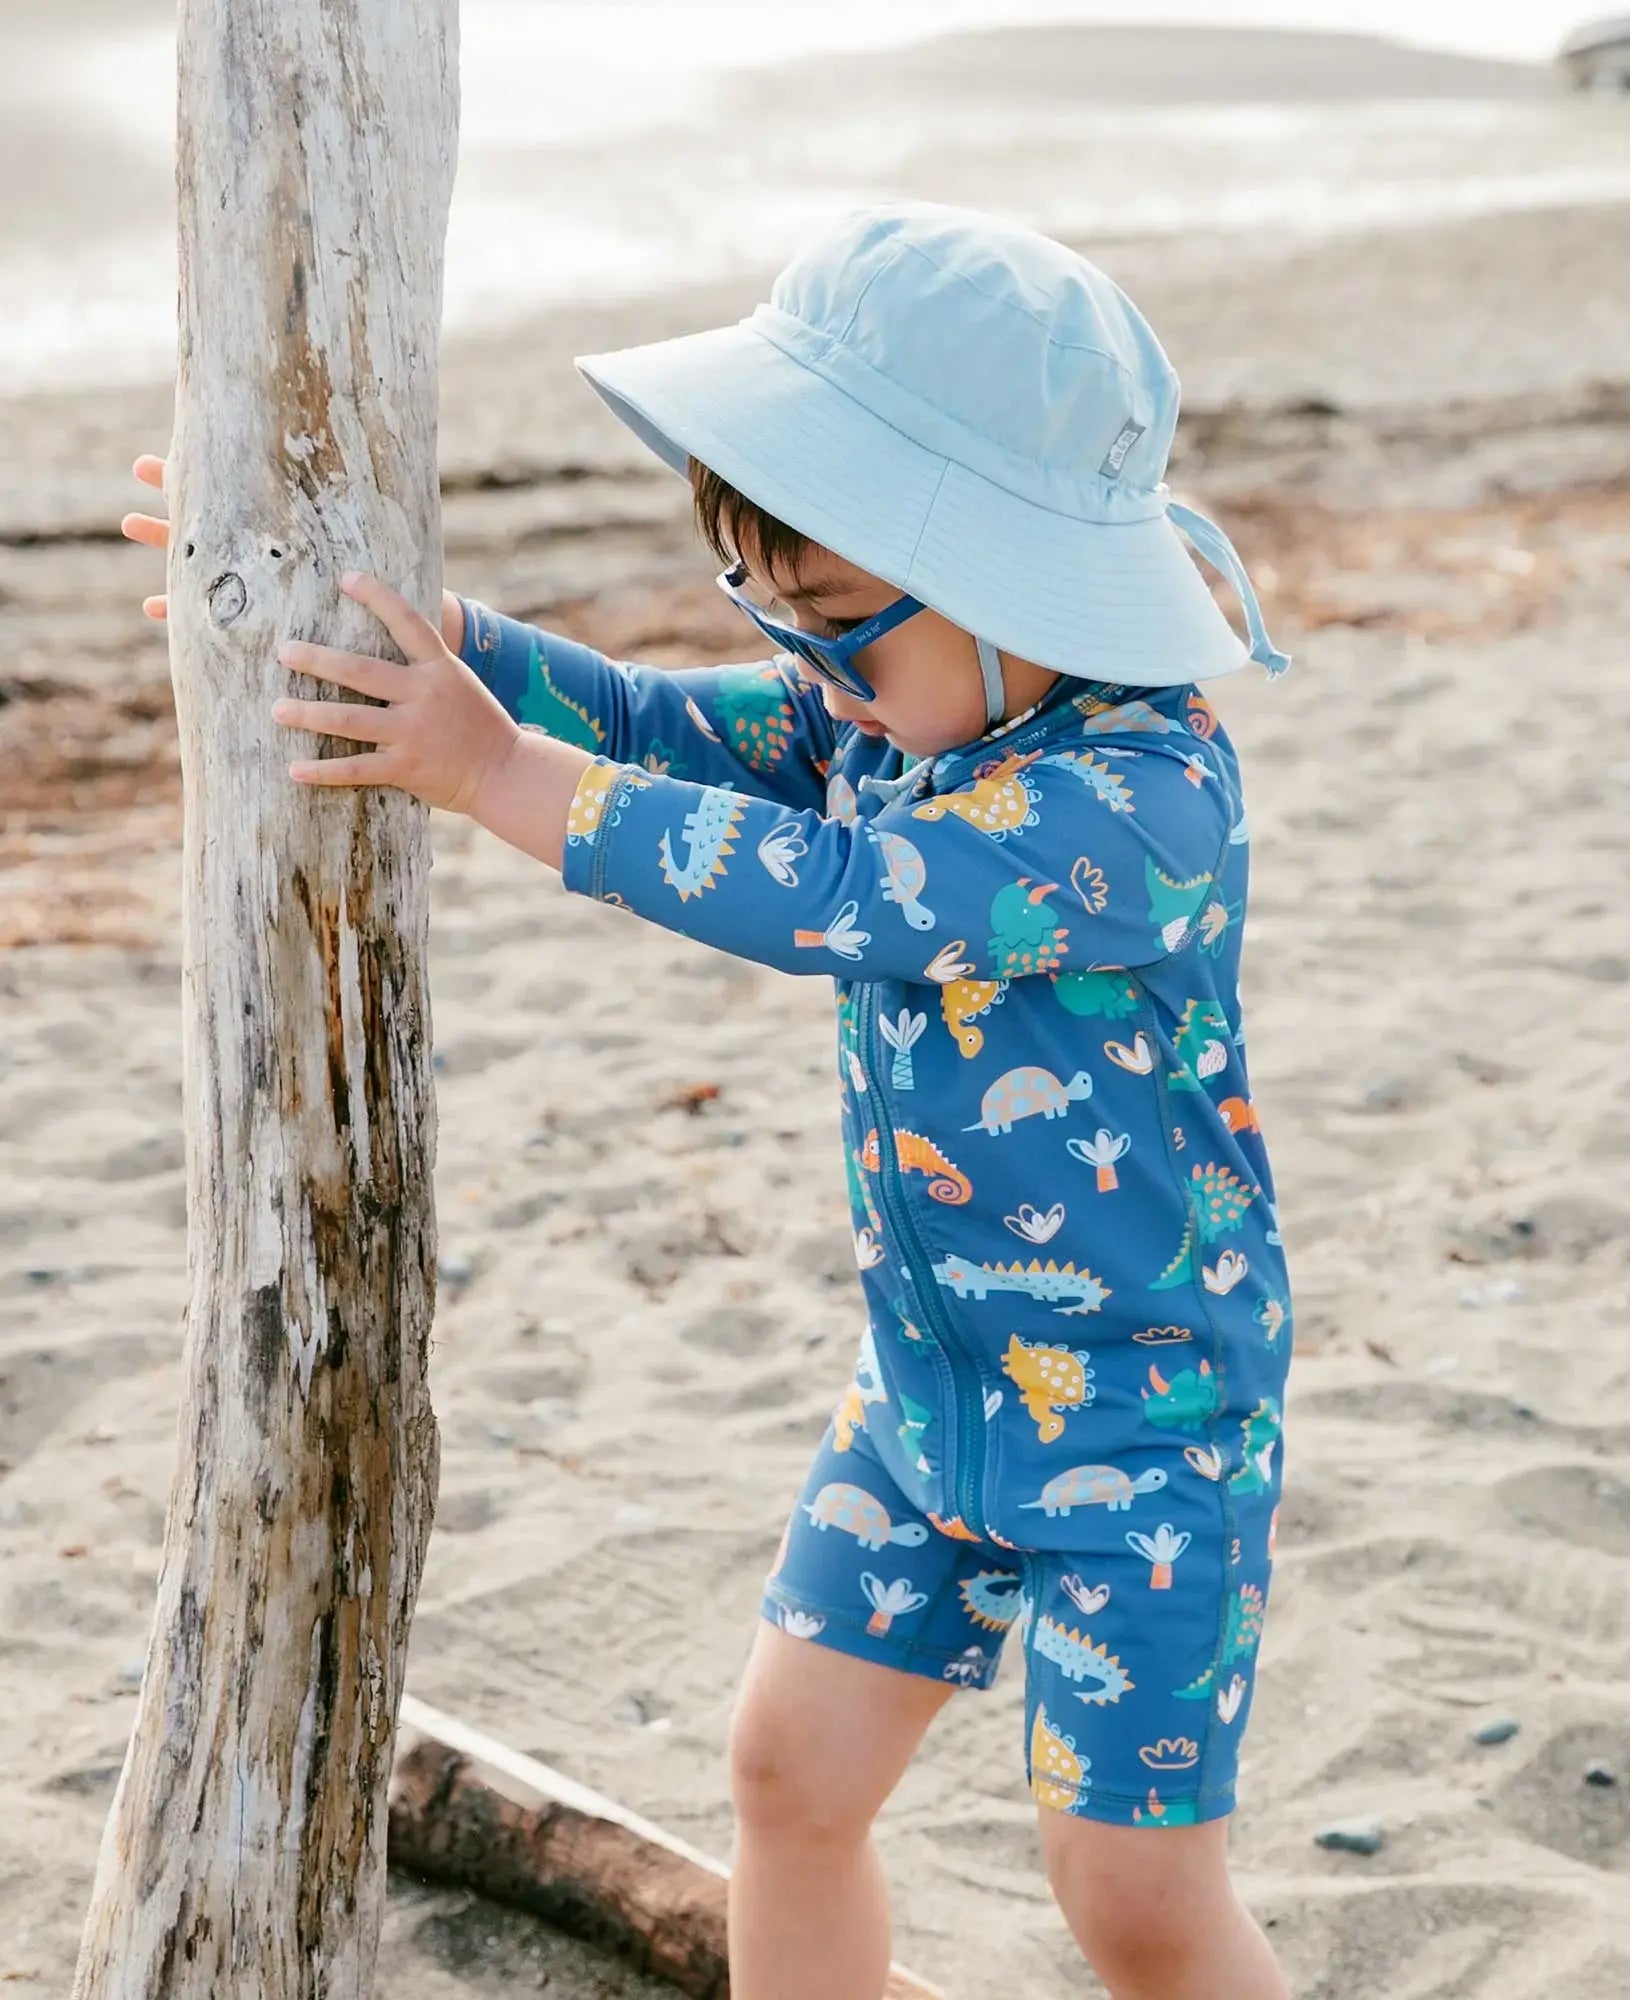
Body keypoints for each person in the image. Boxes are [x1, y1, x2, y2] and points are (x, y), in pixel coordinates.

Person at [126, 201, 1293, 2000]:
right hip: (926, 1390)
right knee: (784, 1773)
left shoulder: (1138, 806)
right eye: (773, 609)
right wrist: (436, 643)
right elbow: (676, 725)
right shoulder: (899, 705)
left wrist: (496, 774)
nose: (802, 663)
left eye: (835, 618)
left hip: (1144, 1433)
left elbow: (835, 903)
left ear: (1013, 579)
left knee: (1126, 1892)